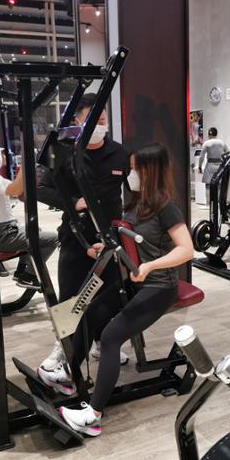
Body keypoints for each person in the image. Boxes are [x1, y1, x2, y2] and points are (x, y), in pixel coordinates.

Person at [39, 143, 194, 436]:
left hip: (159, 286)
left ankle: (93, 416)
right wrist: (103, 247)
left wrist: (150, 266)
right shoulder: (136, 203)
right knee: (88, 314)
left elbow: (186, 250)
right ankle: (69, 374)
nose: (130, 174)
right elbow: (127, 239)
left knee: (110, 337)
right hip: (135, 283)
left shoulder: (166, 208)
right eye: (130, 168)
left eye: (136, 169)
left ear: (151, 171)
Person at [36, 93, 130, 368]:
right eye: (93, 120)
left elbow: (133, 190)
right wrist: (72, 202)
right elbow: (39, 188)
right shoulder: (64, 153)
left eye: (103, 119)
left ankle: (102, 342)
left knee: (108, 293)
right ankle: (63, 347)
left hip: (110, 237)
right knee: (70, 295)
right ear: (77, 121)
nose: (100, 125)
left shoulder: (120, 153)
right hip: (76, 235)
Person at [0, 142, 58, 289]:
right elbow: (16, 190)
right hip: (4, 233)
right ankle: (29, 276)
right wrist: (26, 161)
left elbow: (19, 193)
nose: (2, 156)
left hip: (5, 229)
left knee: (35, 230)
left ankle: (21, 271)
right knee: (53, 239)